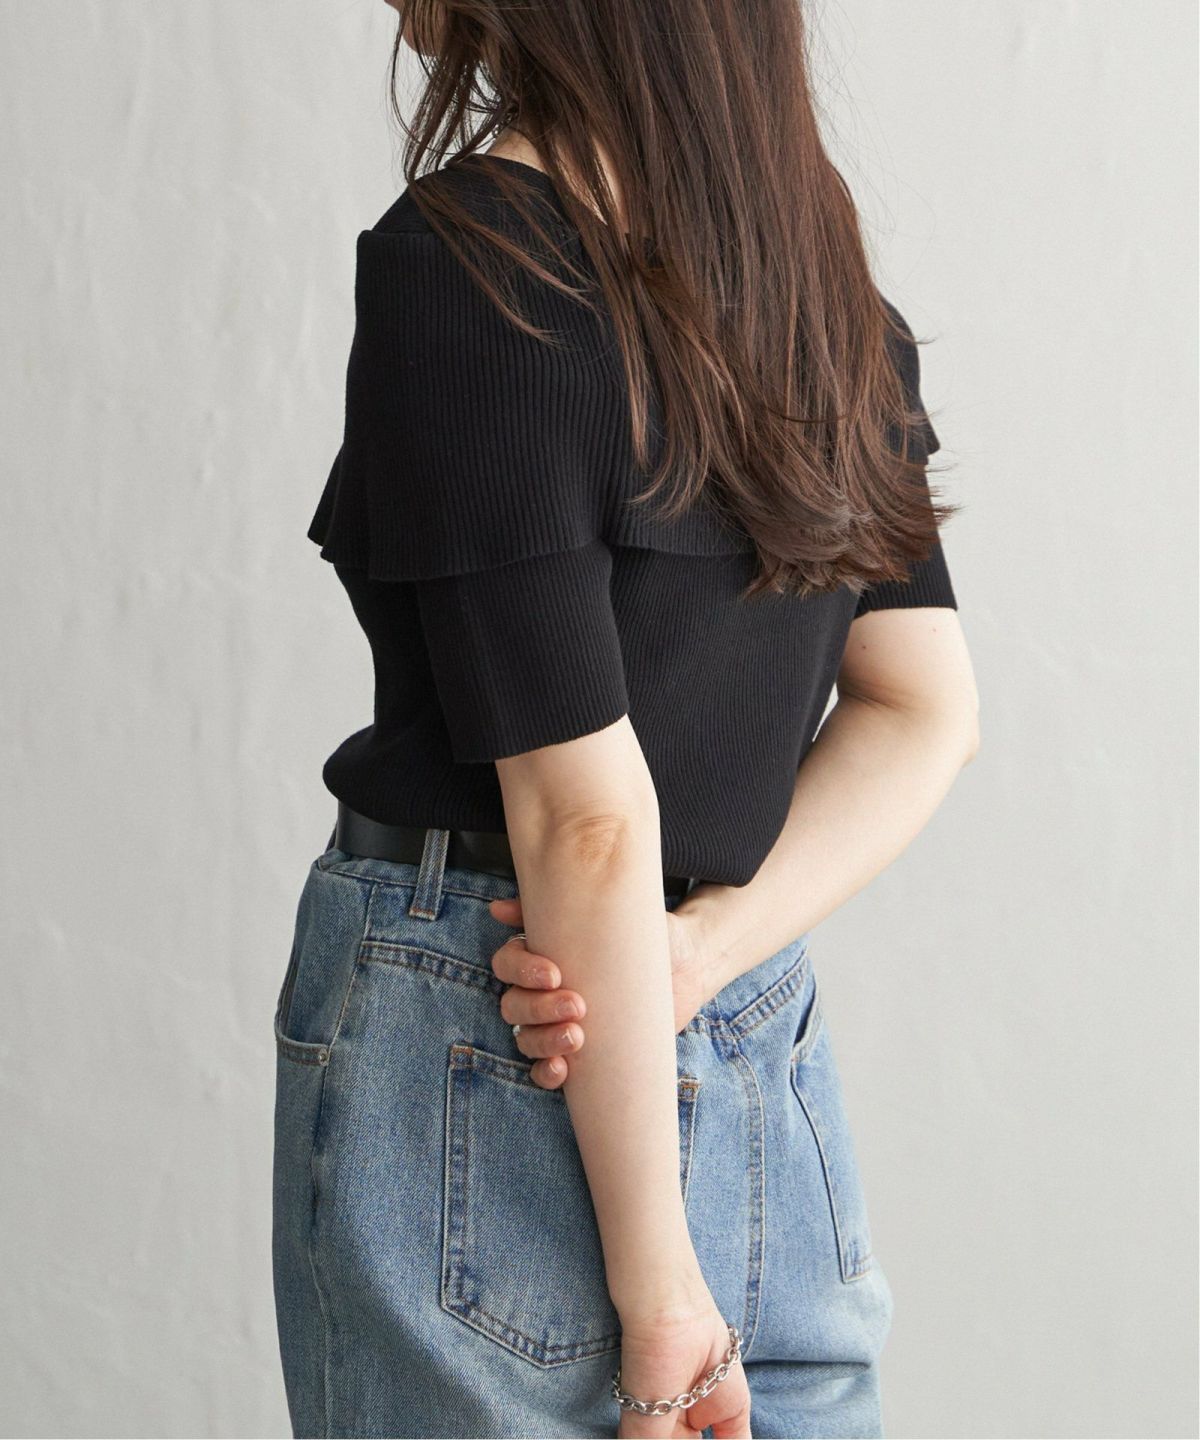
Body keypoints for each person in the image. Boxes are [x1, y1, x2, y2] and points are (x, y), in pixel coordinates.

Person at [271, 1, 980, 1436]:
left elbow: (587, 819)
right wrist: (700, 953)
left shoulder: (474, 262)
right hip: (745, 1020)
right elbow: (926, 709)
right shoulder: (811, 280)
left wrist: (661, 1300)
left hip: (499, 1009)